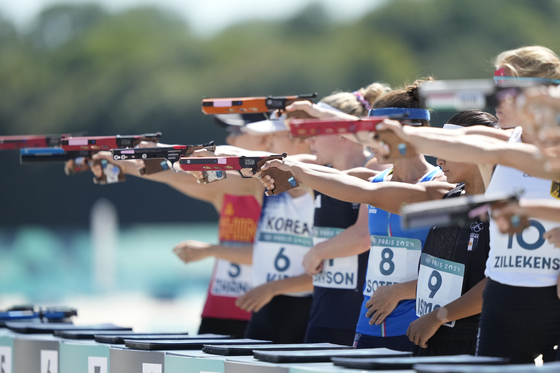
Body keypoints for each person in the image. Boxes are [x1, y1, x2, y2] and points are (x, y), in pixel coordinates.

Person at [367, 46, 560, 363]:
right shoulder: (505, 142)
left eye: (507, 89)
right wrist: (402, 137)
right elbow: (458, 140)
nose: (498, 99)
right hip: (503, 293)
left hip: (551, 294)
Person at [263, 79, 447, 351]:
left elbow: (455, 270)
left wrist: (399, 292)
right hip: (370, 319)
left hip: (416, 322)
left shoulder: (441, 185)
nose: (366, 141)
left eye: (373, 133)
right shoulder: (375, 179)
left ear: (406, 132)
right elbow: (333, 178)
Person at [91, 121, 268, 338]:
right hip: (220, 306)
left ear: (266, 139)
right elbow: (178, 175)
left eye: (238, 133)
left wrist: (210, 250)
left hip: (257, 308)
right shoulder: (228, 192)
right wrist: (125, 164)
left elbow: (268, 254)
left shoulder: (269, 192)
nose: (230, 139)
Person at [302, 83, 389, 345]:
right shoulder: (320, 173)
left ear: (341, 132)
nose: (309, 140)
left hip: (359, 315)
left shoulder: (375, 166)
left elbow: (364, 235)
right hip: (324, 309)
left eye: (315, 131)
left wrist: (317, 252)